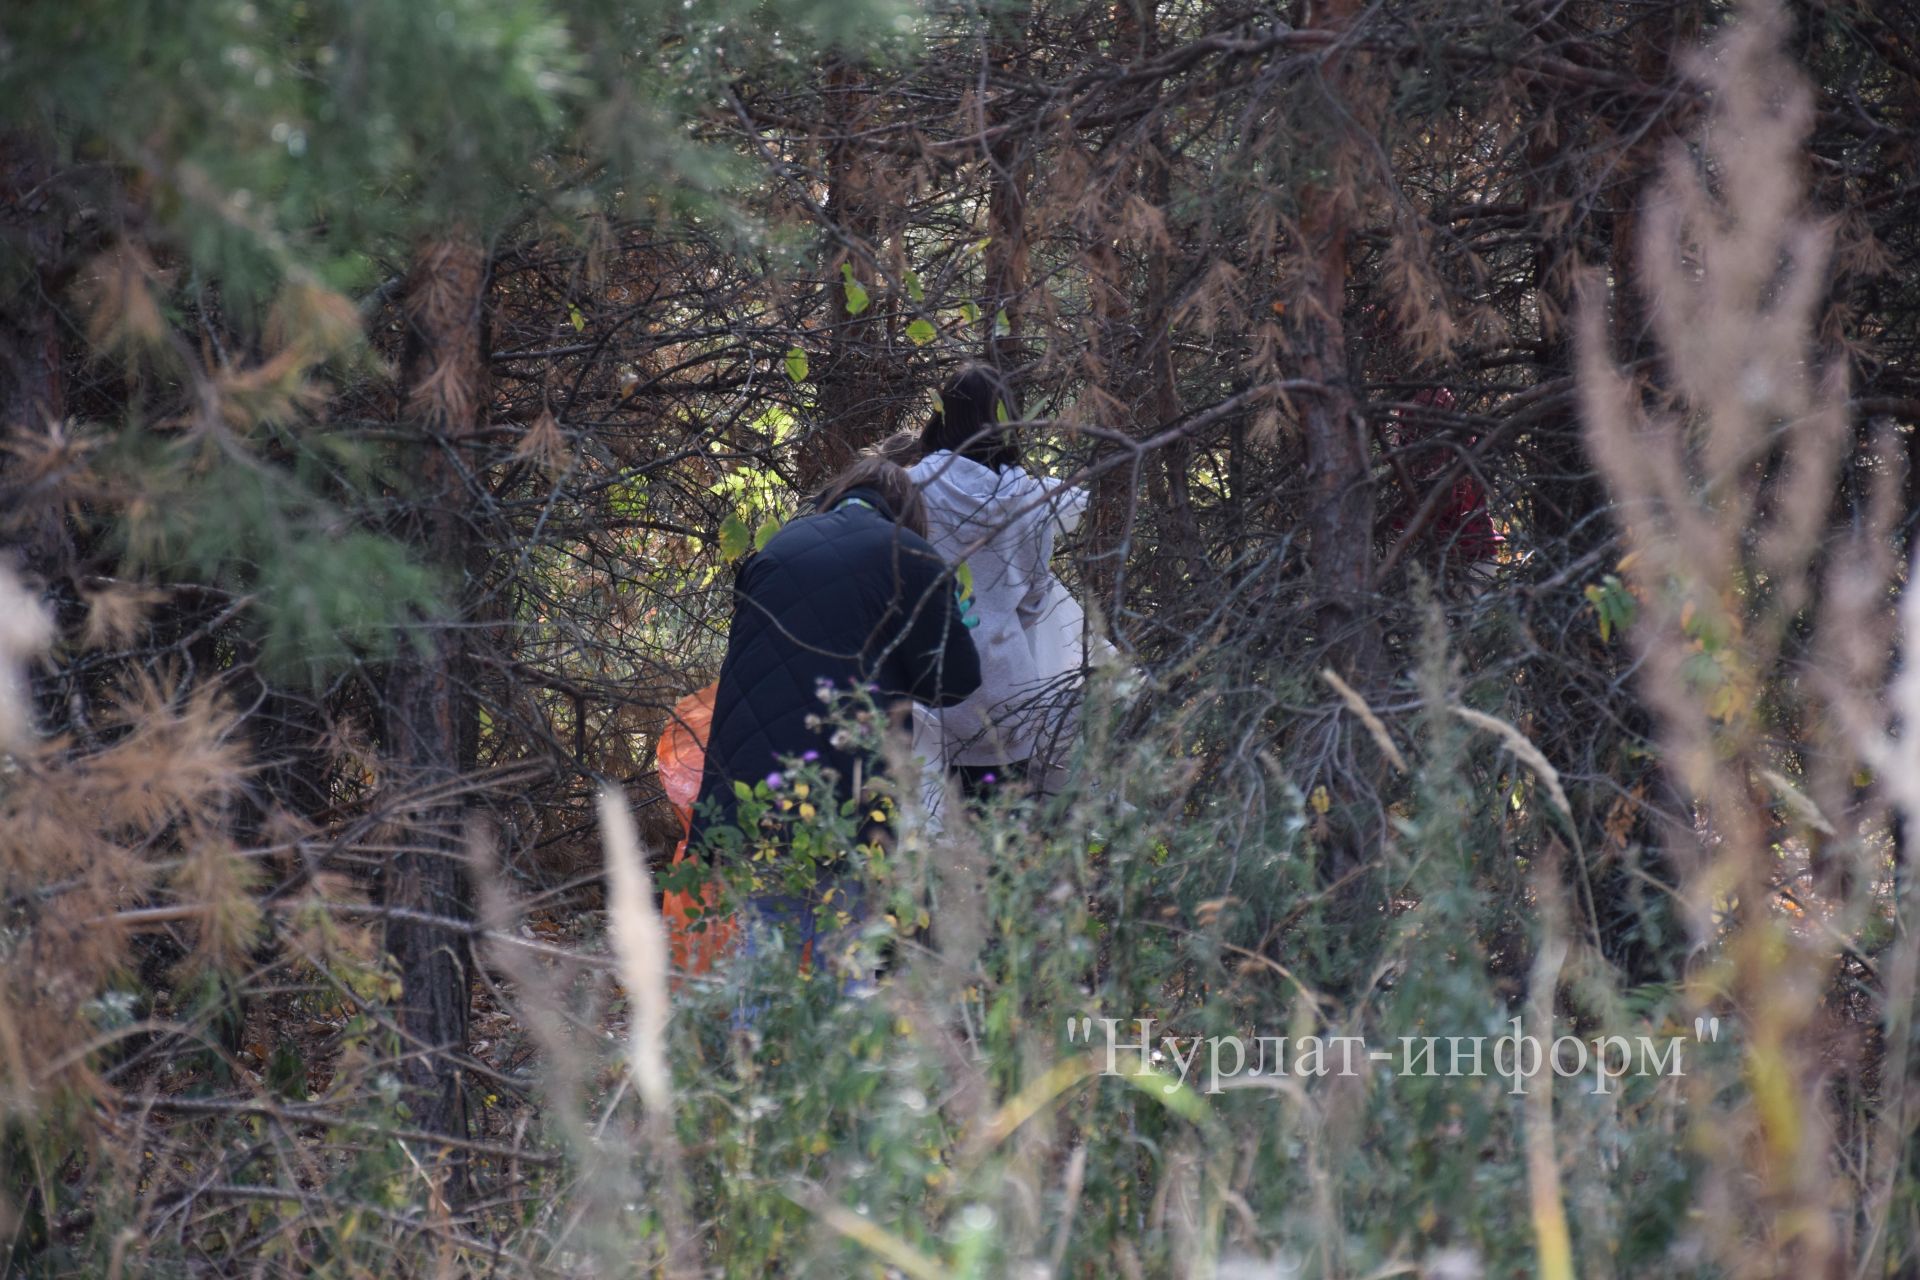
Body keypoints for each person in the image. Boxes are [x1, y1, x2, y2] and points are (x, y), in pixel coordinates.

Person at [687, 457, 982, 963]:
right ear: (906, 513)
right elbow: (954, 681)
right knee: (845, 954)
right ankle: (819, 1041)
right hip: (843, 788)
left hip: (747, 783)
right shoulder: (910, 557)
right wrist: (951, 613)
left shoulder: (780, 546)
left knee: (766, 946)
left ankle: (753, 1042)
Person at [907, 367, 1091, 799]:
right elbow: (1033, 597)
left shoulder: (912, 487)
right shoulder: (1033, 497)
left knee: (930, 846)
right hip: (1009, 696)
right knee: (1005, 846)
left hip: (927, 691)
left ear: (945, 413)